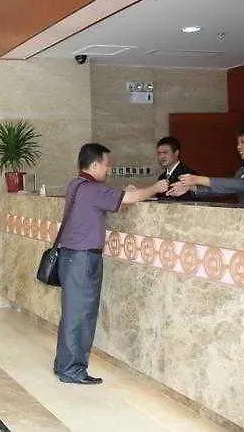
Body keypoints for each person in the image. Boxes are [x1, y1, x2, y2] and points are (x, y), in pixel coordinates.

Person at [54, 143, 167, 385]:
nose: (109, 169)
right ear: (95, 164)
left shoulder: (77, 185)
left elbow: (116, 199)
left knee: (72, 314)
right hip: (83, 259)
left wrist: (125, 193)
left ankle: (64, 365)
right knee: (81, 315)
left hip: (72, 257)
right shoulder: (92, 189)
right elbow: (130, 198)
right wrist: (157, 187)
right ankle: (72, 370)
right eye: (107, 164)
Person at [168, 123, 244, 206]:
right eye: (238, 143)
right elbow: (226, 188)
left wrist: (199, 179)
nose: (238, 147)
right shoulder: (242, 170)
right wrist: (192, 188)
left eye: (243, 142)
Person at [155, 136, 196, 200]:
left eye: (165, 152)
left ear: (176, 153)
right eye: (159, 153)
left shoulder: (188, 174)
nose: (161, 156)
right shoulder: (161, 177)